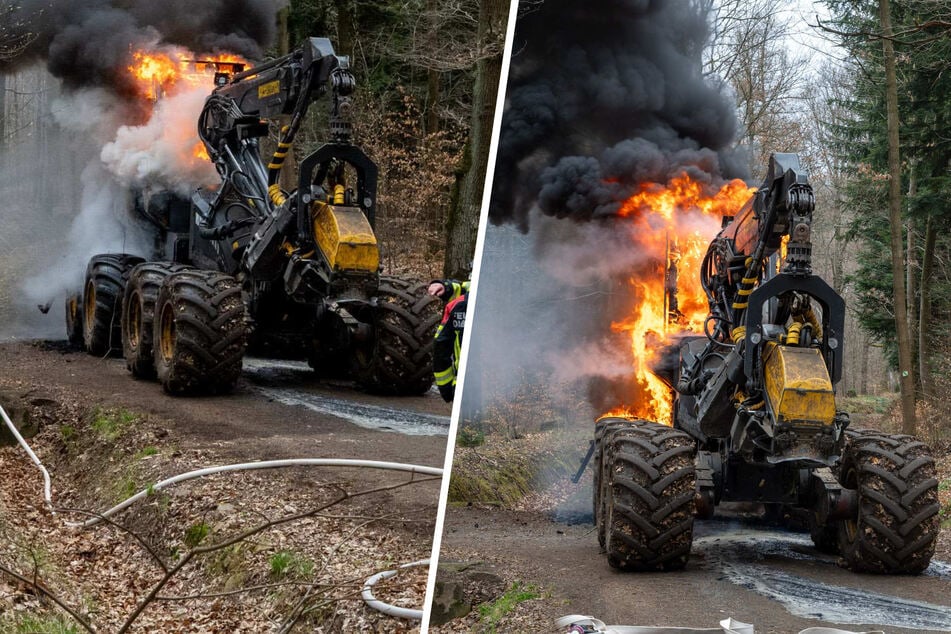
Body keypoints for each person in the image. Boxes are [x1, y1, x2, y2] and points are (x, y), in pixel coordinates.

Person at [433, 291, 467, 402]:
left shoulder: (457, 305)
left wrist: (446, 389)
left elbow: (441, 346)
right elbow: (441, 345)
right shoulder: (456, 306)